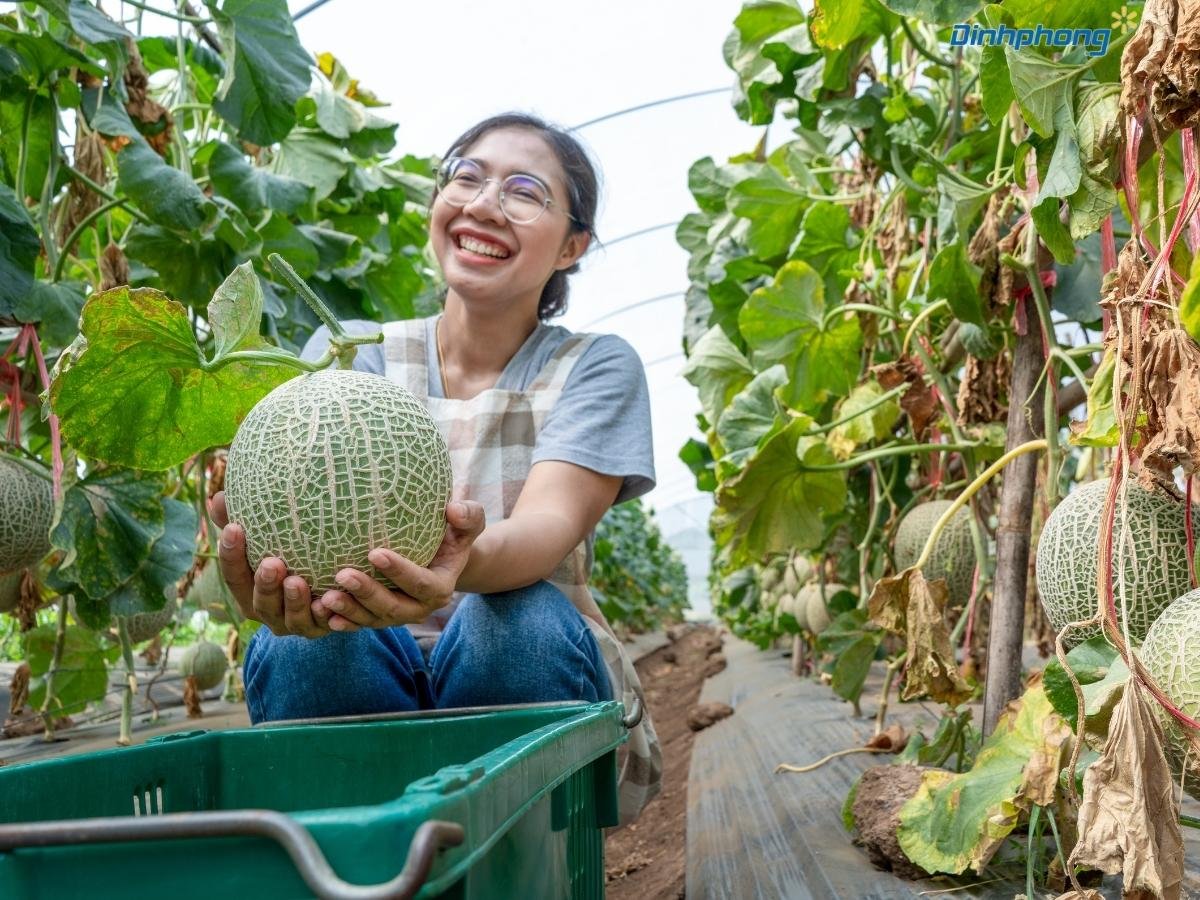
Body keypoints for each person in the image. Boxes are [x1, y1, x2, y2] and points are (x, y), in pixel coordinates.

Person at [208, 112, 661, 824]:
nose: (483, 204)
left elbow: (547, 527)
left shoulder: (596, 366)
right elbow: (298, 523)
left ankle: (524, 861)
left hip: (521, 665)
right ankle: (358, 859)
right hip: (367, 653)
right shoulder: (347, 353)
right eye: (467, 177)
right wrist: (270, 561)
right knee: (306, 644)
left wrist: (446, 566)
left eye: (524, 191)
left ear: (572, 245)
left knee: (513, 620)